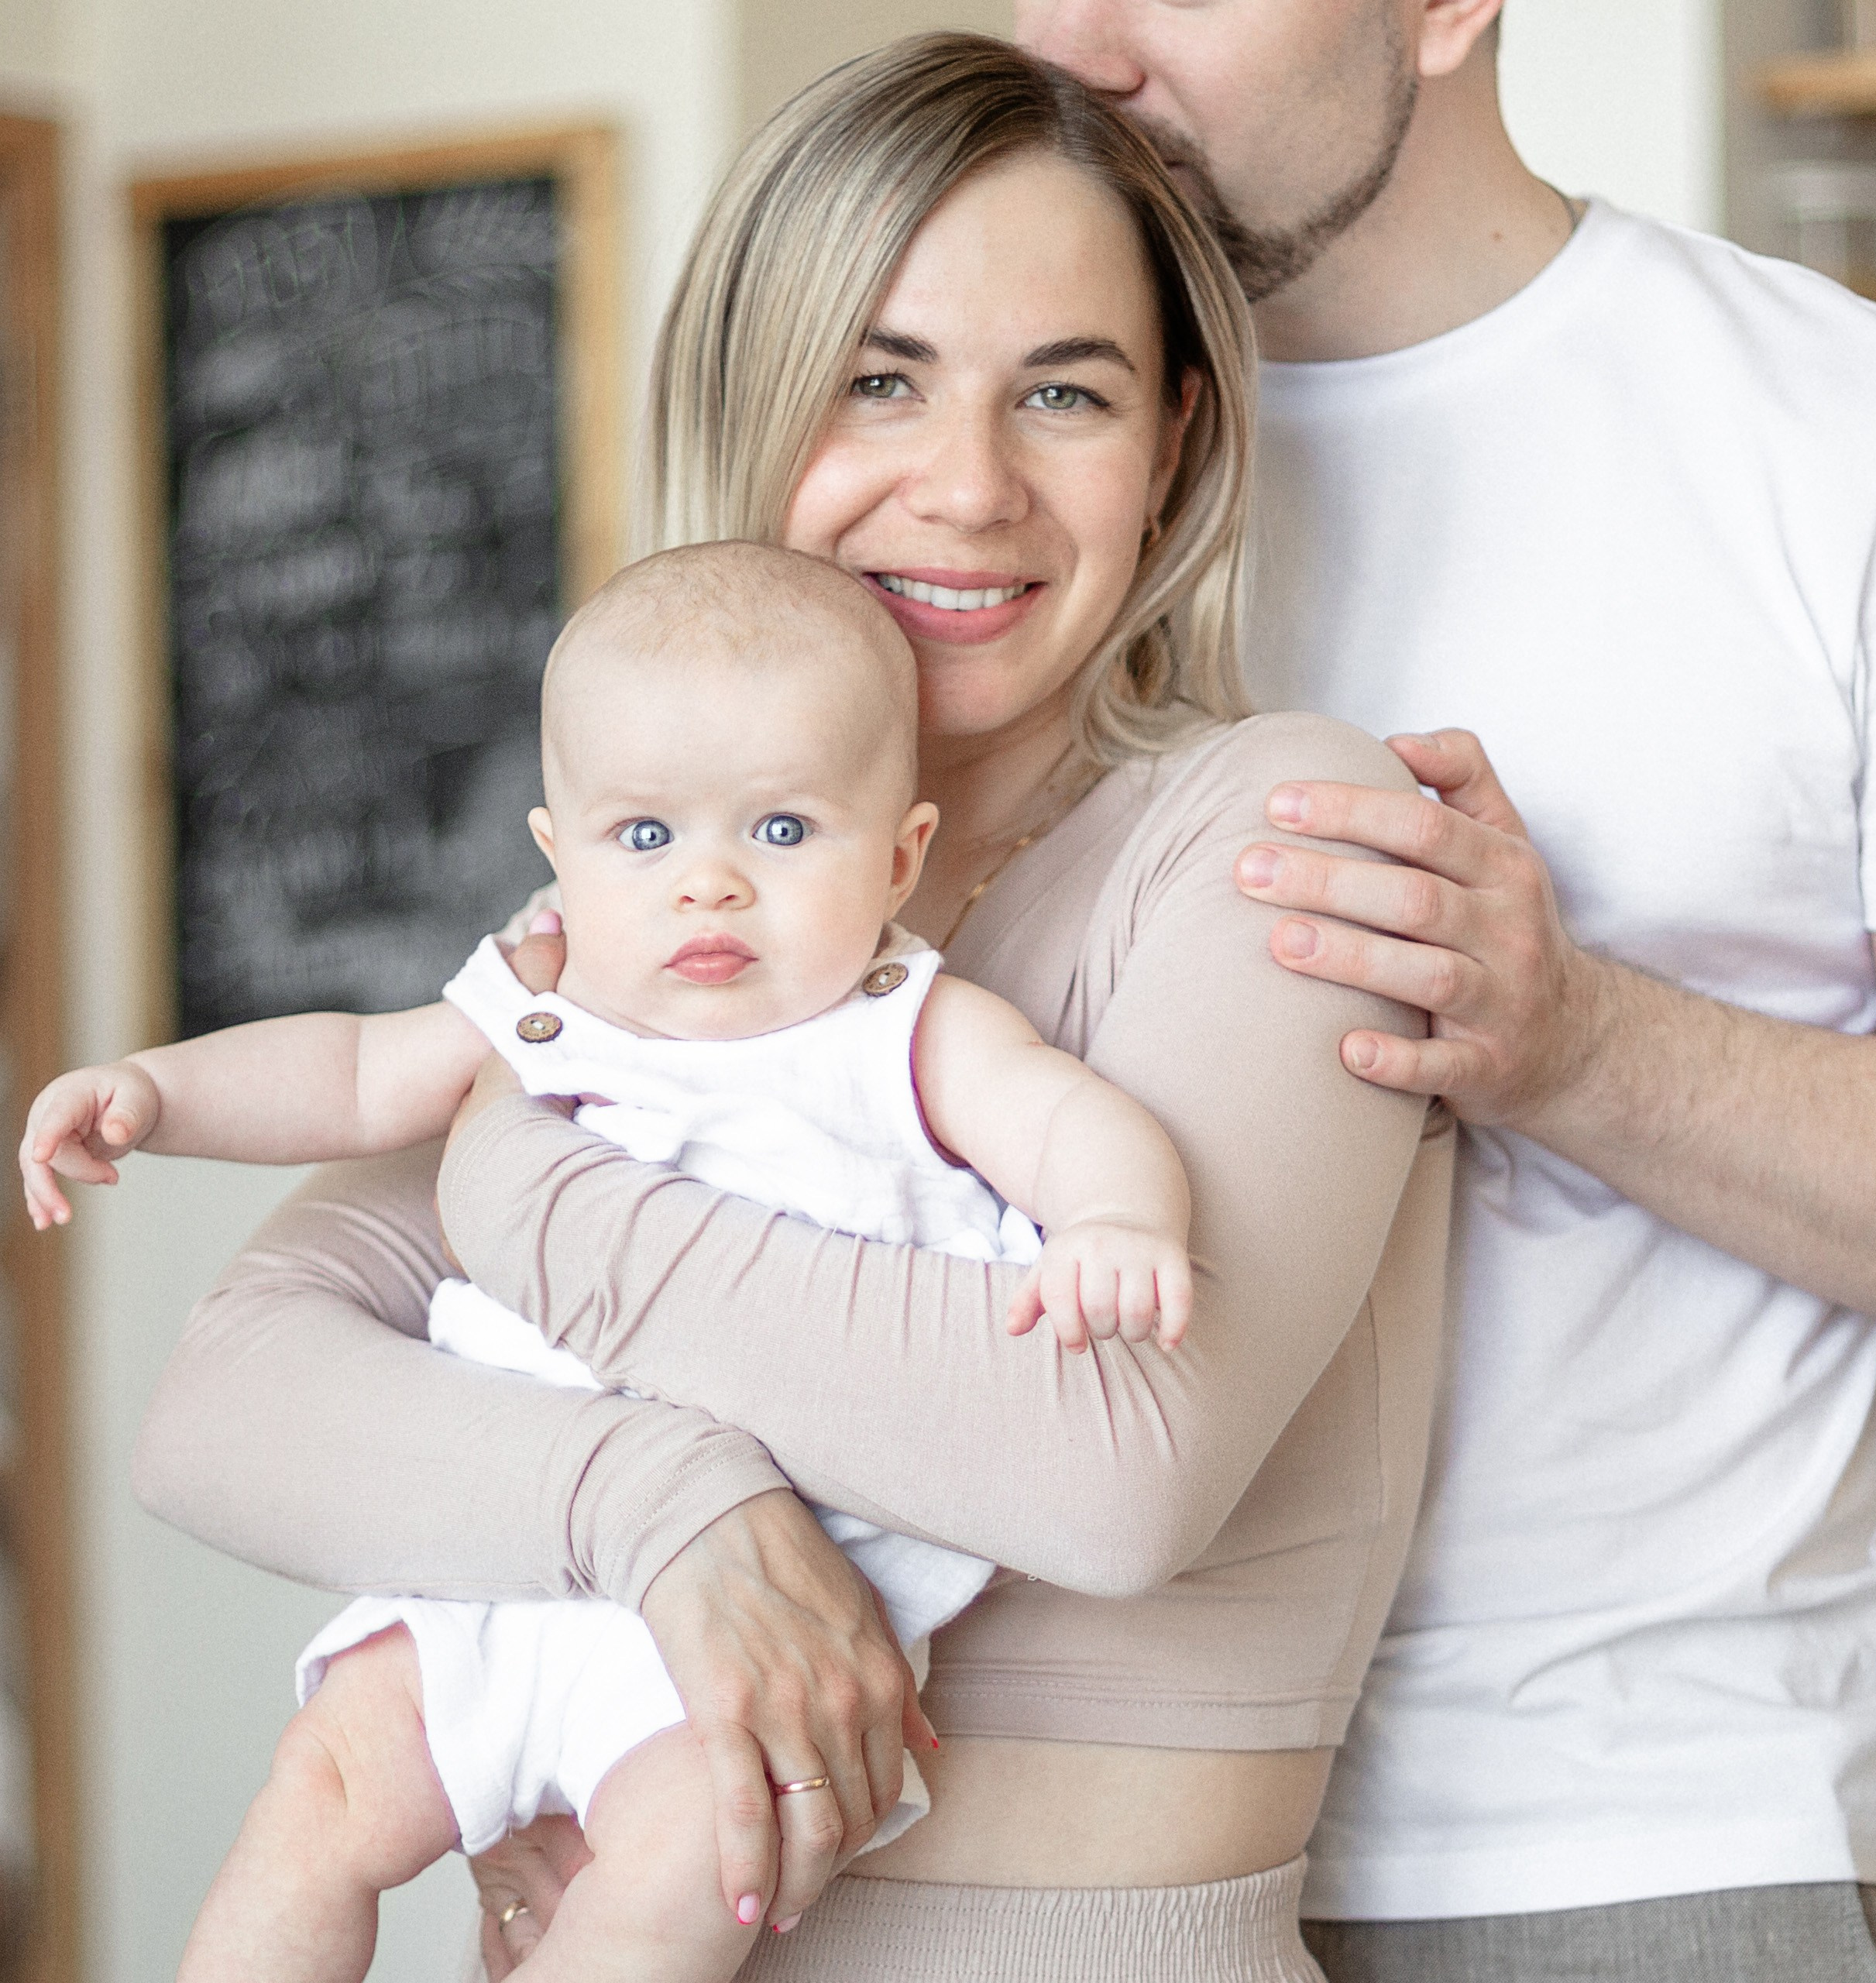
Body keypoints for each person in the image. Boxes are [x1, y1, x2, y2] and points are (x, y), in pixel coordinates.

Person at [131, 37, 1455, 1981]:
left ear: (1171, 439)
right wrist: (661, 1510)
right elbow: (225, 1405)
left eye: (1063, 392)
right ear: (756, 400)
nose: (968, 485)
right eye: (878, 378)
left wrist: (524, 1188)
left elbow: (1108, 1462)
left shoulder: (1266, 828)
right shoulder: (665, 902)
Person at [1013, 2, 1876, 1978]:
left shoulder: (1864, 439)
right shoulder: (982, 470)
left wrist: (1576, 1040)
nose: (1070, 46)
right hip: (1045, 1841)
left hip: (1635, 1847)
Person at [29, 542, 1201, 1982]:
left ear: (899, 853)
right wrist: (155, 1095)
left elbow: (1071, 1120)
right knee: (318, 1798)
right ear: (558, 856)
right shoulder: (540, 1010)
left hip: (738, 1643)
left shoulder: (904, 1030)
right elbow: (344, 1072)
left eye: (781, 833)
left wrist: (1116, 1226)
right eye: (644, 838)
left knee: (682, 1879)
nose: (708, 887)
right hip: (504, 1557)